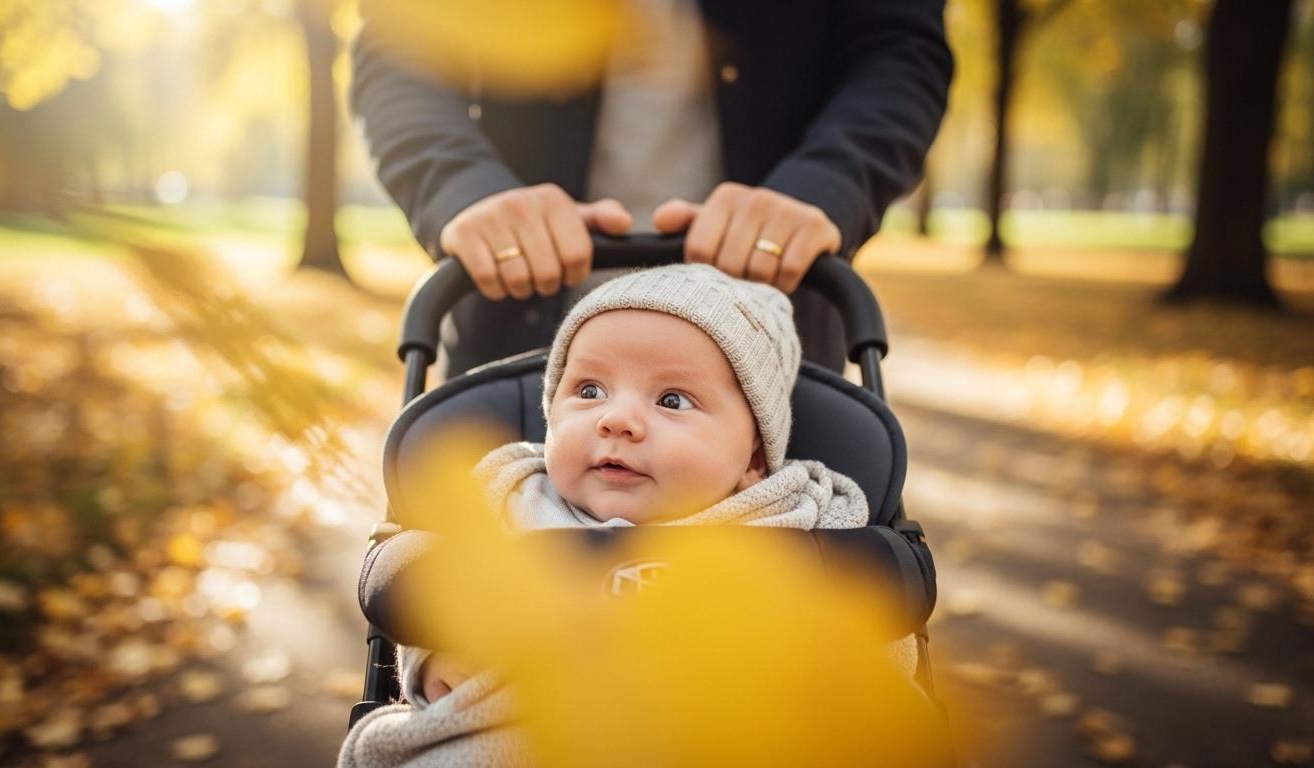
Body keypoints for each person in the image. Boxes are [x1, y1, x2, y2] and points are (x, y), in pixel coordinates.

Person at [337, 266, 913, 768]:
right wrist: (438, 653)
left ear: (754, 457)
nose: (618, 420)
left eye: (671, 400)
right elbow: (437, 589)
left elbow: (872, 632)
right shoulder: (509, 494)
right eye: (589, 390)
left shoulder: (793, 517)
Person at [349, 0, 953, 377]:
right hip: (513, 324)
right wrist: (463, 187)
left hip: (773, 322)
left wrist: (823, 185)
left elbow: (898, 49)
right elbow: (401, 47)